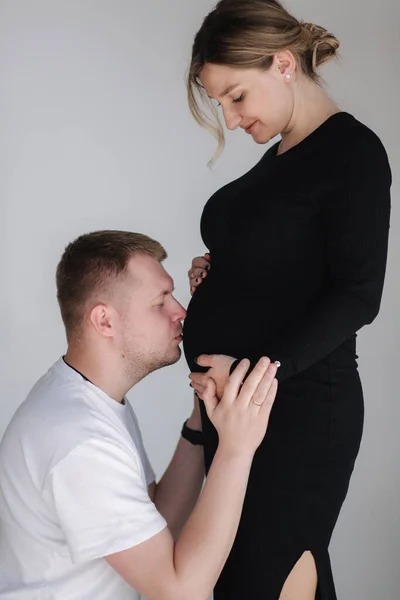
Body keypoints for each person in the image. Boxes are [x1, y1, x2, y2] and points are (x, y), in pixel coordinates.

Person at [182, 1, 392, 599]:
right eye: (219, 102)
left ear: (282, 64)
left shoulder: (351, 153)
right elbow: (290, 269)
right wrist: (226, 272)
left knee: (264, 575)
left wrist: (253, 372)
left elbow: (357, 296)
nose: (228, 116)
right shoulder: (279, 160)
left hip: (297, 409)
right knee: (245, 574)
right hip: (242, 410)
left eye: (236, 96)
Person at [0, 230, 279, 600]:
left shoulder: (88, 402)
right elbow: (183, 591)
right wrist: (237, 448)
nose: (180, 311)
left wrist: (201, 421)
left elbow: (157, 516)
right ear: (104, 321)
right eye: (160, 301)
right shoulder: (80, 440)